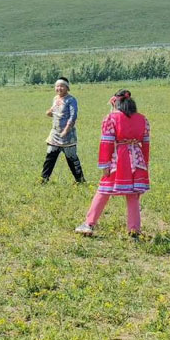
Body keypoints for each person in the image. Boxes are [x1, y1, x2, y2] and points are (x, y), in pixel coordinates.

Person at [75, 88, 150, 237]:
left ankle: (89, 223)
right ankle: (134, 230)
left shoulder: (111, 118)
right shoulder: (143, 119)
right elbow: (146, 143)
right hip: (138, 160)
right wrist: (145, 163)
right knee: (133, 195)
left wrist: (105, 164)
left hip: (119, 159)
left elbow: (107, 143)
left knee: (103, 190)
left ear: (115, 103)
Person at [41, 77, 84, 183]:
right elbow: (54, 111)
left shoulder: (71, 100)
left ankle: (80, 180)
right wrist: (49, 112)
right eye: (57, 86)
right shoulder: (55, 99)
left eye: (61, 86)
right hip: (55, 134)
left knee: (72, 158)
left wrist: (66, 130)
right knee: (50, 157)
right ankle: (43, 179)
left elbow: (73, 116)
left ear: (67, 88)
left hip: (67, 135)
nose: (59, 88)